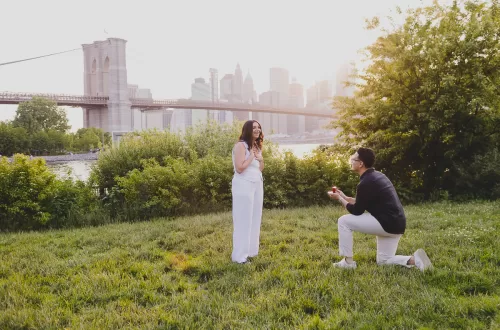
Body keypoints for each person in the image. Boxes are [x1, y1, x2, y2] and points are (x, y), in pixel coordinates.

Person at [327, 147, 432, 271]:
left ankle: (348, 262)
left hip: (387, 223)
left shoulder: (366, 182)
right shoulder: (377, 176)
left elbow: (356, 211)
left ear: (361, 163)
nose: (351, 161)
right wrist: (344, 196)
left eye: (353, 159)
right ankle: (415, 260)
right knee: (384, 261)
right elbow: (363, 203)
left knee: (344, 221)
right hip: (396, 224)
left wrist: (339, 198)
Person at [231, 120, 265, 264]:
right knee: (243, 220)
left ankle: (250, 251)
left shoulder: (256, 146)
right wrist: (251, 156)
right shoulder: (241, 146)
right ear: (247, 130)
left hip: (257, 184)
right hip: (243, 185)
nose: (257, 130)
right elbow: (239, 168)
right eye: (254, 128)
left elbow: (259, 168)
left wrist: (261, 159)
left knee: (255, 218)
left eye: (259, 127)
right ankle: (239, 257)